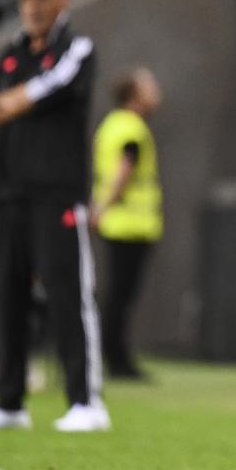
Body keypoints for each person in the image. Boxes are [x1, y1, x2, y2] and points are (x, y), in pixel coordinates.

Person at [0, 0, 108, 433]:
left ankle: (86, 401)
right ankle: (9, 401)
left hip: (57, 192)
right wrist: (10, 101)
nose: (32, 6)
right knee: (8, 297)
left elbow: (46, 89)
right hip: (8, 192)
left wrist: (4, 103)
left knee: (69, 295)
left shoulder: (77, 48)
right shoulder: (11, 52)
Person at [91, 66, 164, 380]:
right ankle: (116, 359)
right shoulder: (132, 128)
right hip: (130, 223)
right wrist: (103, 206)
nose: (157, 91)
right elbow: (124, 169)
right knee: (121, 295)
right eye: (149, 86)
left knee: (117, 294)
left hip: (117, 222)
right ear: (134, 94)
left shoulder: (111, 124)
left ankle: (112, 355)